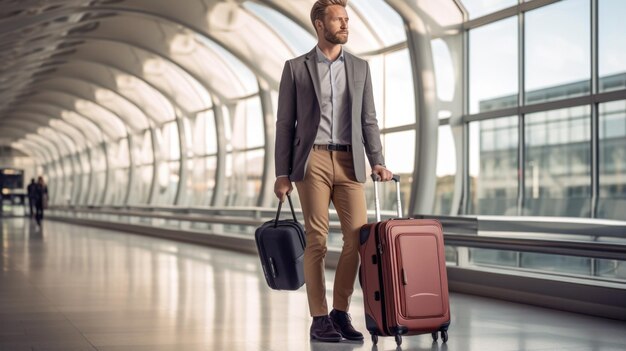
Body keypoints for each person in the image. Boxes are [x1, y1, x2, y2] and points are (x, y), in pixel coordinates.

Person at [273, 0, 393, 343]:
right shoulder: (296, 68)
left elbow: (368, 119)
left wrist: (377, 161)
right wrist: (282, 173)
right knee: (317, 241)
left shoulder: (360, 67)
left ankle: (340, 311)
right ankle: (319, 317)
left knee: (357, 238)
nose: (345, 25)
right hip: (311, 162)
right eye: (337, 19)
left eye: (346, 19)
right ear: (318, 24)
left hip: (350, 161)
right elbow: (285, 124)